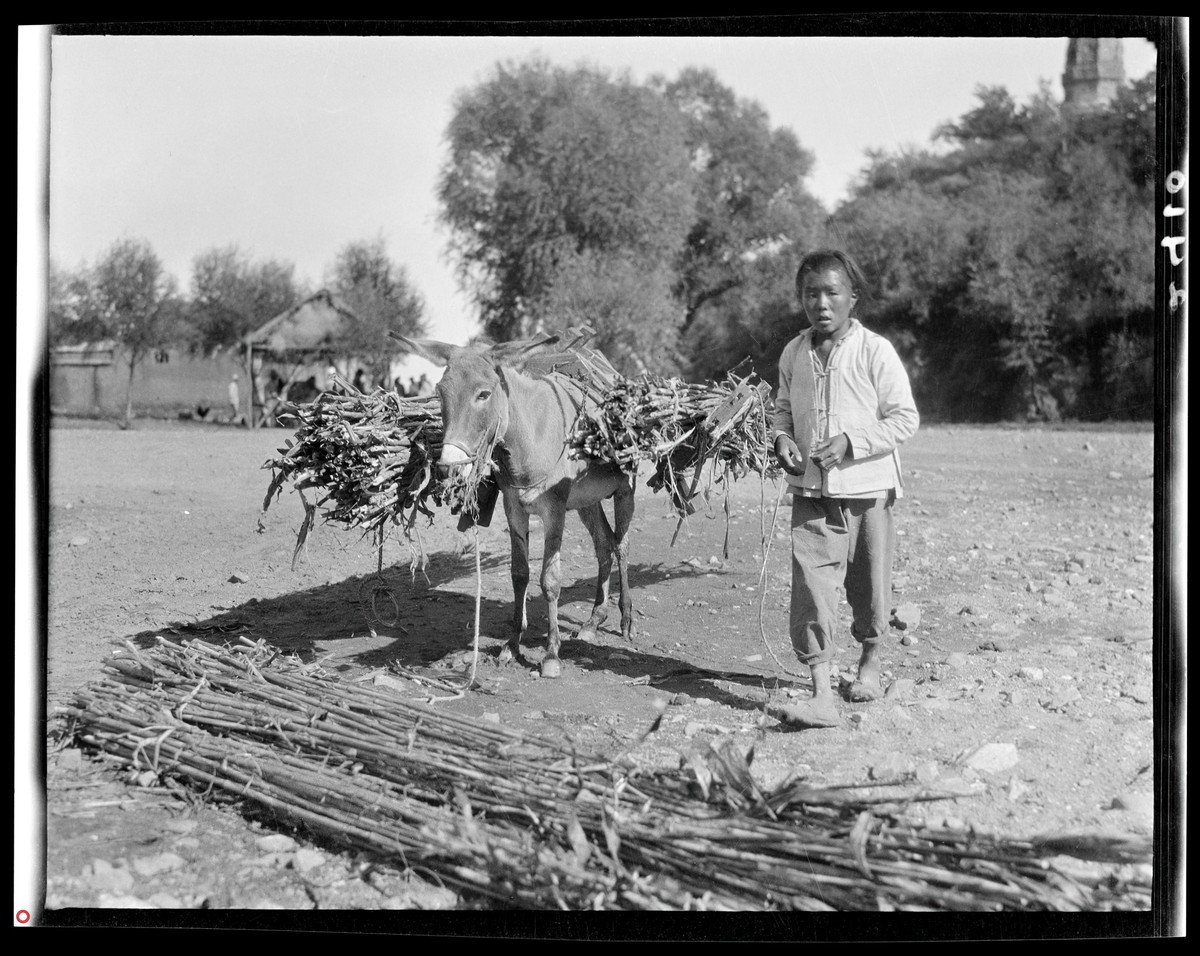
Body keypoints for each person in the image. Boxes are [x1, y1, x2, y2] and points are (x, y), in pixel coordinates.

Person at [769, 249, 919, 729]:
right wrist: (781, 438)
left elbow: (905, 418)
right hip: (812, 491)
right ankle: (820, 695)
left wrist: (853, 442)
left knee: (868, 585)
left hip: (868, 490)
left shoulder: (875, 350)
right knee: (812, 587)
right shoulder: (794, 352)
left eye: (832, 292)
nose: (821, 303)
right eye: (811, 293)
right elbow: (782, 409)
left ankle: (870, 663)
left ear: (853, 298)